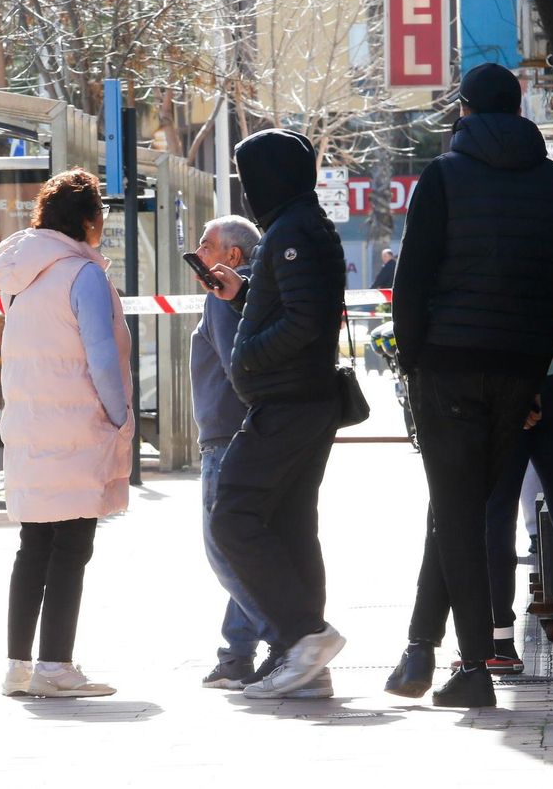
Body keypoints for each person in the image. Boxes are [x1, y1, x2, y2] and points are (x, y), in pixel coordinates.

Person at [390, 63, 553, 707]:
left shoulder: (442, 177)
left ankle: (471, 667)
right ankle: (418, 649)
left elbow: (412, 279)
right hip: (518, 369)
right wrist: (530, 370)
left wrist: (411, 359)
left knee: (459, 512)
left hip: (446, 364)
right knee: (460, 504)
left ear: (465, 111)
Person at [206, 128, 348, 700]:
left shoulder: (293, 231)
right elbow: (292, 305)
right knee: (289, 527)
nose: (245, 190)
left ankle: (304, 636)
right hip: (298, 401)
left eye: (247, 177)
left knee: (232, 517)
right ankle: (304, 661)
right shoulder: (296, 227)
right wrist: (243, 297)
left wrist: (249, 356)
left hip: (288, 403)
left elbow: (305, 321)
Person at [0, 168, 133, 699]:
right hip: (76, 428)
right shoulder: (82, 274)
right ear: (90, 220)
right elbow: (100, 355)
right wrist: (119, 418)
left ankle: (18, 667)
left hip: (29, 427)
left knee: (34, 546)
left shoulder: (22, 276)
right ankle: (55, 666)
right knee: (72, 547)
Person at [190, 215, 318, 694]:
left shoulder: (224, 297)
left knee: (225, 548)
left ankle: (294, 641)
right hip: (242, 435)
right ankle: (237, 653)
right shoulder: (254, 295)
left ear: (233, 257)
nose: (198, 253)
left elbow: (236, 369)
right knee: (246, 547)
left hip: (228, 438)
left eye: (205, 245)